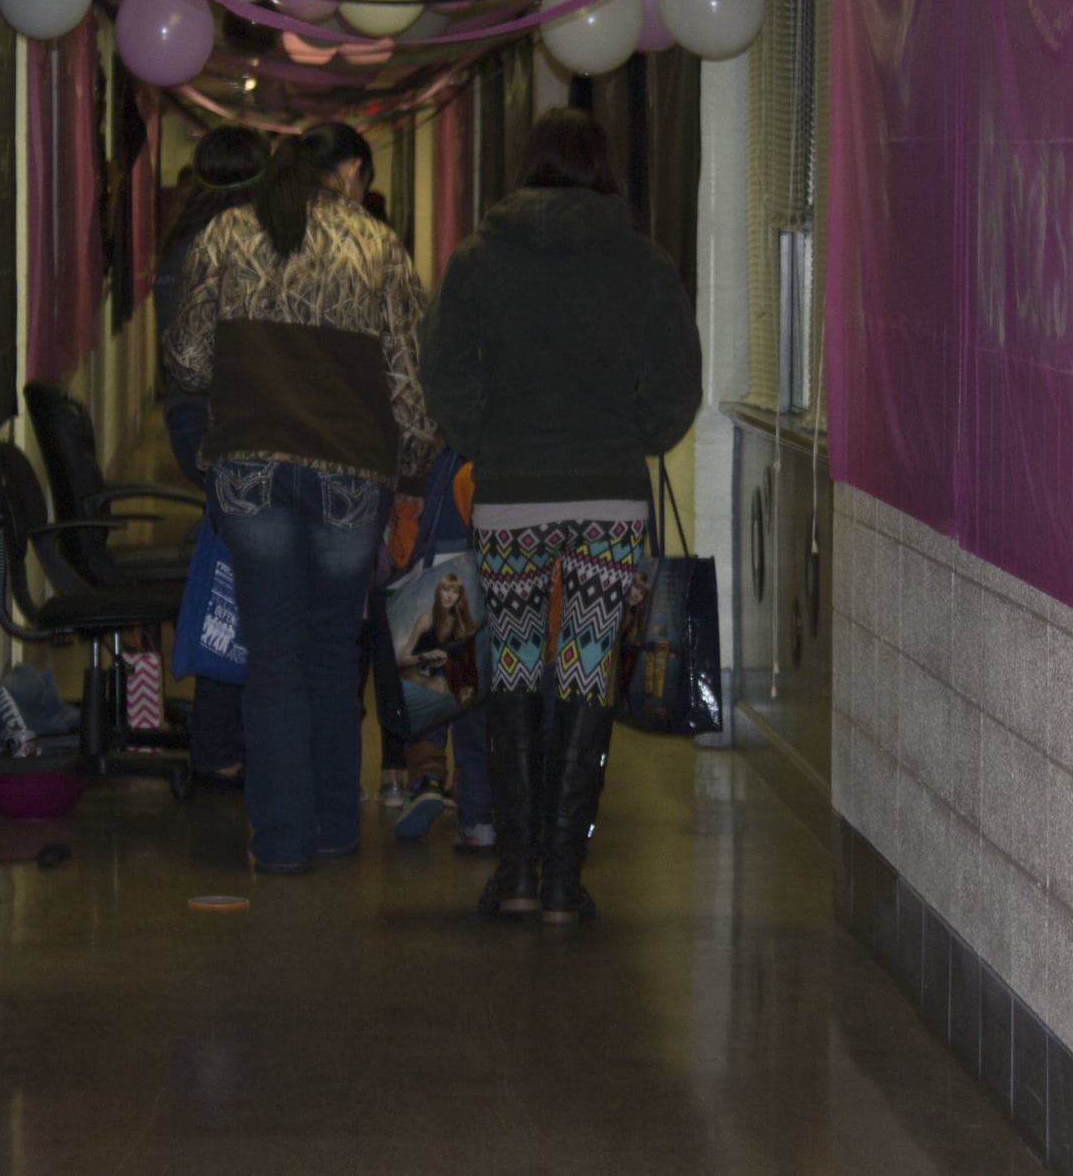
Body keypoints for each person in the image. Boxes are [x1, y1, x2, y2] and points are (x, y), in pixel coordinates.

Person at [421, 108, 703, 923]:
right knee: (587, 677)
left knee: (509, 671)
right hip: (610, 500)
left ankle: (513, 868)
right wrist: (634, 437)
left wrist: (487, 438)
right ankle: (560, 879)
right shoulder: (644, 265)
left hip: (511, 498)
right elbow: (678, 388)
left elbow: (443, 372)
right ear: (603, 169)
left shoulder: (476, 262)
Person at [166, 122, 435, 874]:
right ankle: (333, 828)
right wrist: (410, 474)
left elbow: (187, 361)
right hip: (351, 474)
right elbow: (411, 389)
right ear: (347, 172)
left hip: (249, 467)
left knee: (274, 655)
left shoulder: (226, 235)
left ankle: (280, 842)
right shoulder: (378, 246)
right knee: (330, 648)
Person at [153, 124, 269, 789]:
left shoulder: (182, 243)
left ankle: (221, 742)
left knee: (234, 582)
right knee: (241, 591)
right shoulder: (228, 248)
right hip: (223, 425)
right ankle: (221, 745)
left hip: (190, 420)